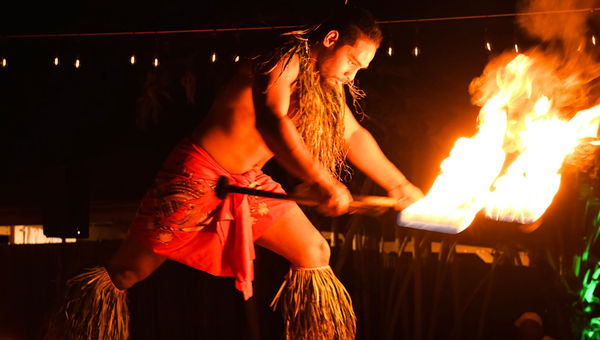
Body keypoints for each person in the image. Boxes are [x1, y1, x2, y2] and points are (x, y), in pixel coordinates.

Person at [45, 5, 424, 340]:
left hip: (245, 184)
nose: (352, 74)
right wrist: (323, 181)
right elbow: (273, 122)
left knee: (314, 251)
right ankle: (75, 327)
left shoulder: (327, 84)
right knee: (128, 273)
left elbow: (352, 134)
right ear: (330, 39)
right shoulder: (281, 59)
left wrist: (400, 184)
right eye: (353, 61)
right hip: (194, 178)